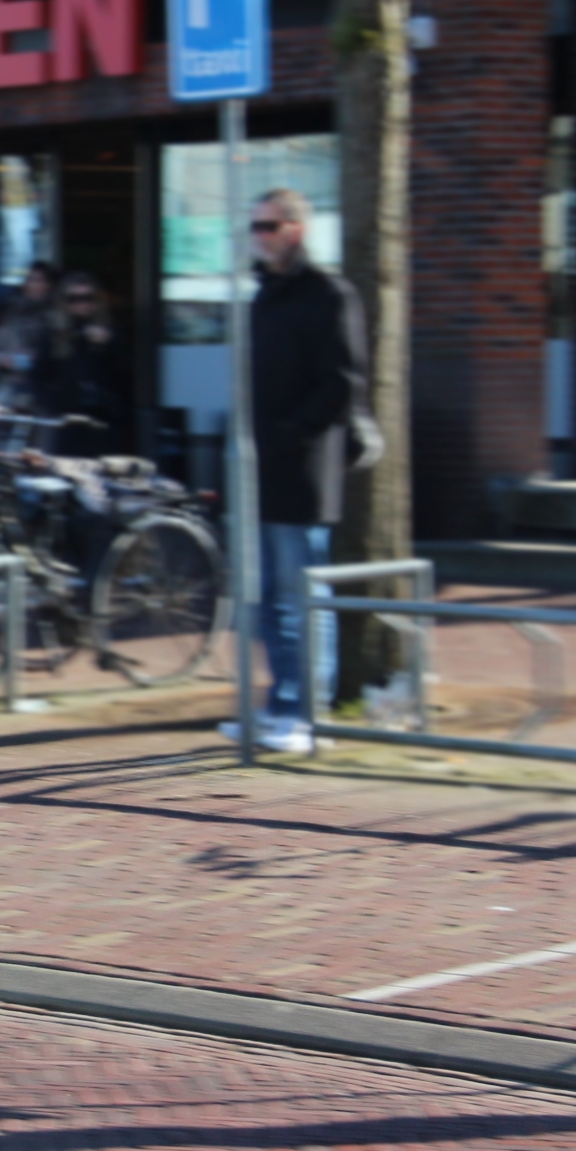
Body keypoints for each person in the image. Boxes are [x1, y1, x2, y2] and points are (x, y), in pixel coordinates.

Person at [219, 188, 369, 756]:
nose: (259, 235)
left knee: (301, 591)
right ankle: (279, 704)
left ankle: (309, 713)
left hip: (303, 471)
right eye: (254, 226)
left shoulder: (328, 294)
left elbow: (343, 383)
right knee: (262, 600)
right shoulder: (263, 295)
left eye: (269, 226)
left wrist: (290, 434)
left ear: (296, 230)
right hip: (257, 470)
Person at [29, 272, 132, 457]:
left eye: (88, 298)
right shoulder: (53, 333)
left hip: (102, 419)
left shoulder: (110, 331)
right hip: (66, 421)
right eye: (74, 299)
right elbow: (37, 377)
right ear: (64, 301)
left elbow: (124, 376)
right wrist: (54, 405)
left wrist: (108, 345)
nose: (82, 304)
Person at [0, 262, 59, 409]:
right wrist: (0, 359)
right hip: (9, 391)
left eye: (38, 280)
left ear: (48, 285)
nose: (33, 285)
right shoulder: (11, 313)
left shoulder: (56, 317)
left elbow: (58, 358)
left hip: (42, 394)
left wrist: (34, 359)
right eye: (30, 279)